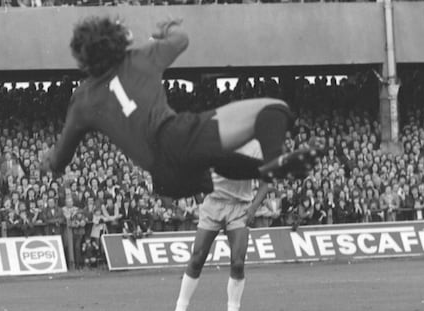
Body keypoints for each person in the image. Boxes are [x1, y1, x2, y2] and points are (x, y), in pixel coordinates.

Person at [40, 16, 323, 201]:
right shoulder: (139, 58)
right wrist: (167, 28)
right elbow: (181, 39)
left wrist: (48, 161)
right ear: (116, 41)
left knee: (217, 160)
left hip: (166, 181)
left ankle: (266, 170)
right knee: (273, 108)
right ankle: (275, 160)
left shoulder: (82, 100)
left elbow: (59, 159)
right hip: (174, 138)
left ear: (83, 58)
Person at [168, 140, 270, 311]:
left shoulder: (257, 146)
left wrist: (253, 208)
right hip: (213, 204)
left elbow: (267, 181)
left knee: (238, 262)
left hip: (240, 207)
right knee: (197, 258)